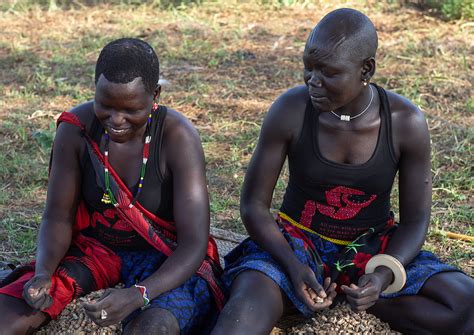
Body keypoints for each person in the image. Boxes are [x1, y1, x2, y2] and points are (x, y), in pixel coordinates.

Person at [211, 8, 474, 335]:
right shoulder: (291, 111)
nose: (313, 81)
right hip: (296, 244)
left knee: (465, 306)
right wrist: (293, 268)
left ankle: (355, 301)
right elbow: (253, 206)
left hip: (373, 248)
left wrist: (380, 277)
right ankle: (302, 290)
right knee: (243, 312)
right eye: (308, 67)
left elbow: (417, 220)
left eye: (329, 73)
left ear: (366, 69)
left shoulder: (405, 123)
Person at [0, 38, 224, 335]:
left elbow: (193, 244)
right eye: (105, 106)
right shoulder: (77, 130)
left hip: (164, 259)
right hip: (96, 250)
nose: (116, 120)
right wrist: (44, 272)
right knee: (9, 318)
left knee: (152, 328)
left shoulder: (178, 138)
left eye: (131, 109)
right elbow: (57, 216)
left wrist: (140, 293)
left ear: (155, 95)